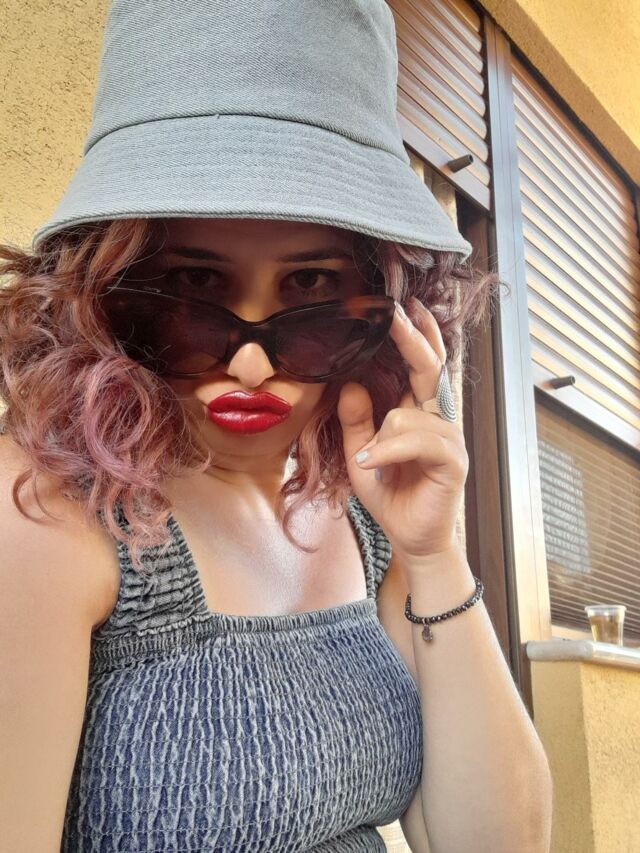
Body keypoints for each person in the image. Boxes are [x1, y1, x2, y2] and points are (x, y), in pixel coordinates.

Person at [0, 1, 553, 851]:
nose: (253, 365)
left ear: (390, 314)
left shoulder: (368, 518)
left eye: (311, 292)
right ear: (106, 294)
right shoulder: (47, 510)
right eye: (192, 290)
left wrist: (435, 554)